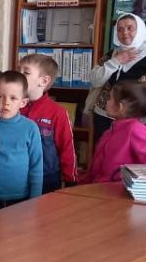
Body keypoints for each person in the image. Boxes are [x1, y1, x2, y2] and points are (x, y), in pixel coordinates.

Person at [19, 53, 77, 191]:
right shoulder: (12, 107)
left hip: (47, 180)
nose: (19, 75)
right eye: (17, 70)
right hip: (17, 178)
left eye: (26, 72)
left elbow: (67, 148)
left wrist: (70, 180)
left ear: (44, 81)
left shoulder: (58, 113)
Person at [86, 14, 146, 144]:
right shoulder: (112, 53)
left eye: (130, 28)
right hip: (104, 114)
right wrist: (116, 61)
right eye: (120, 29)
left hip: (136, 120)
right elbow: (94, 79)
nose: (124, 33)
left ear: (140, 30)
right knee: (103, 150)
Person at [0, 70, 44, 208]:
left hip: (21, 199)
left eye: (13, 98)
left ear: (23, 102)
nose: (6, 103)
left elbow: (36, 166)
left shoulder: (30, 128)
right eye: (0, 96)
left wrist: (35, 200)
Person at [81, 81, 146, 182]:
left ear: (120, 107)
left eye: (110, 98)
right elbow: (95, 169)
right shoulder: (109, 131)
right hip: (98, 187)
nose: (106, 102)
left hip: (118, 190)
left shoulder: (135, 129)